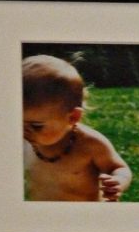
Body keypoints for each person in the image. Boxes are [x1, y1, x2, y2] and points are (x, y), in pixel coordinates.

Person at [22, 54, 132, 202]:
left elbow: (119, 168)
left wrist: (117, 182)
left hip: (86, 216)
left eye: (36, 126)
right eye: (18, 122)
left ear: (72, 117)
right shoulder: (24, 142)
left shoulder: (90, 143)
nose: (23, 131)